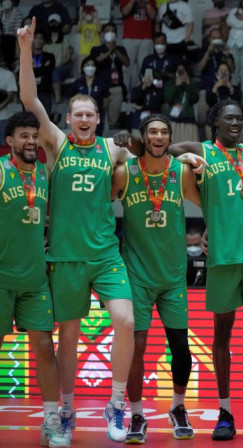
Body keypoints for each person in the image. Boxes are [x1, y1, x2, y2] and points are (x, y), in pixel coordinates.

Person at [18, 18, 136, 444]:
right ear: (70, 119)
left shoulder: (110, 147)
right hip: (65, 255)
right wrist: (26, 49)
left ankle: (117, 403)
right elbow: (30, 98)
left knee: (125, 320)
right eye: (78, 114)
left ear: (98, 118)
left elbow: (150, 152)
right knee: (67, 335)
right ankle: (65, 409)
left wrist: (191, 158)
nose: (85, 119)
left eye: (91, 114)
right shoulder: (57, 143)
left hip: (105, 253)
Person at [138, 99, 243, 441]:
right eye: (229, 118)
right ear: (215, 121)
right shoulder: (201, 150)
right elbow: (157, 146)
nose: (236, 123)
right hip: (222, 259)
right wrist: (184, 158)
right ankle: (225, 410)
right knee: (222, 337)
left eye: (240, 119)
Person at [111, 114, 199, 443]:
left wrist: (210, 234)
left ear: (169, 138)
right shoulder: (125, 174)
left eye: (164, 132)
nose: (159, 137)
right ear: (144, 138)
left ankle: (177, 407)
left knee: (181, 348)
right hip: (136, 275)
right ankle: (135, 414)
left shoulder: (182, 172)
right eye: (153, 132)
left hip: (173, 277)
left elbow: (212, 205)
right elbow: (98, 206)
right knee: (137, 348)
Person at [0, 111, 69, 448]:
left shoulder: (43, 172)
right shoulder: (0, 172)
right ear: (10, 141)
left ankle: (51, 420)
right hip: (0, 278)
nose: (30, 142)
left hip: (35, 279)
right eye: (23, 136)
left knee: (44, 347)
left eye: (34, 136)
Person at [90, 23, 130, 130]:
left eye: (112, 31)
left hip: (116, 88)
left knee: (114, 121)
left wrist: (115, 49)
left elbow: (127, 62)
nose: (110, 33)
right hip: (101, 89)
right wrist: (109, 52)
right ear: (103, 34)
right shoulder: (96, 49)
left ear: (116, 34)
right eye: (107, 31)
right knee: (98, 118)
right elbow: (94, 62)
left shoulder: (120, 49)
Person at [120, 0, 157, 90]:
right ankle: (124, 93)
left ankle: (145, 92)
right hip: (129, 36)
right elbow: (124, 11)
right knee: (126, 68)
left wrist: (147, 3)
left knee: (146, 68)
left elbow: (153, 16)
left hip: (146, 37)